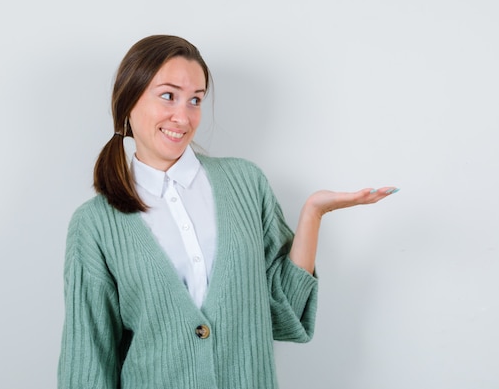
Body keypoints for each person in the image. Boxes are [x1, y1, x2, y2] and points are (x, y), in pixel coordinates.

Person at [58, 35, 399, 389]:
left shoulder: (245, 183)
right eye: (168, 96)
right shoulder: (94, 224)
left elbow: (284, 313)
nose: (183, 116)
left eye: (195, 100)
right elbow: (88, 358)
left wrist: (313, 214)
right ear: (129, 100)